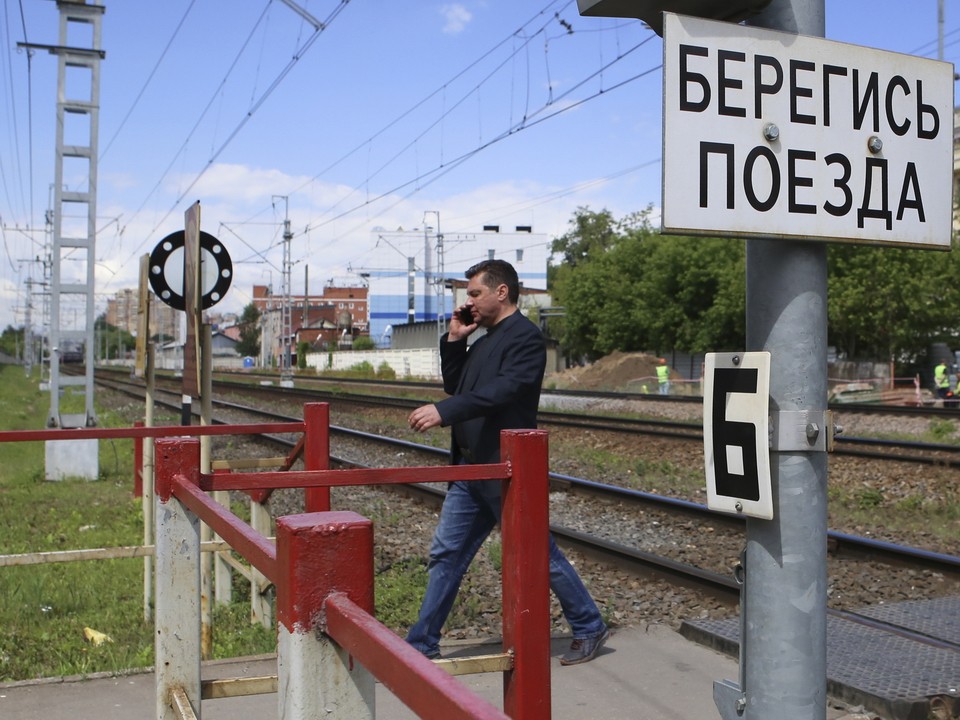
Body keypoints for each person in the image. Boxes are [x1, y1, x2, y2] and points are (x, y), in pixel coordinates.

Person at [405, 259, 609, 666]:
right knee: (446, 554)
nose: (469, 303)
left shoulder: (526, 339)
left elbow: (503, 391)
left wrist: (445, 412)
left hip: (505, 469)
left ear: (502, 291)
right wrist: (454, 338)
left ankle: (588, 624)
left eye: (475, 293)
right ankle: (421, 643)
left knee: (535, 552)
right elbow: (456, 384)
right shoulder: (482, 340)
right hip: (470, 469)